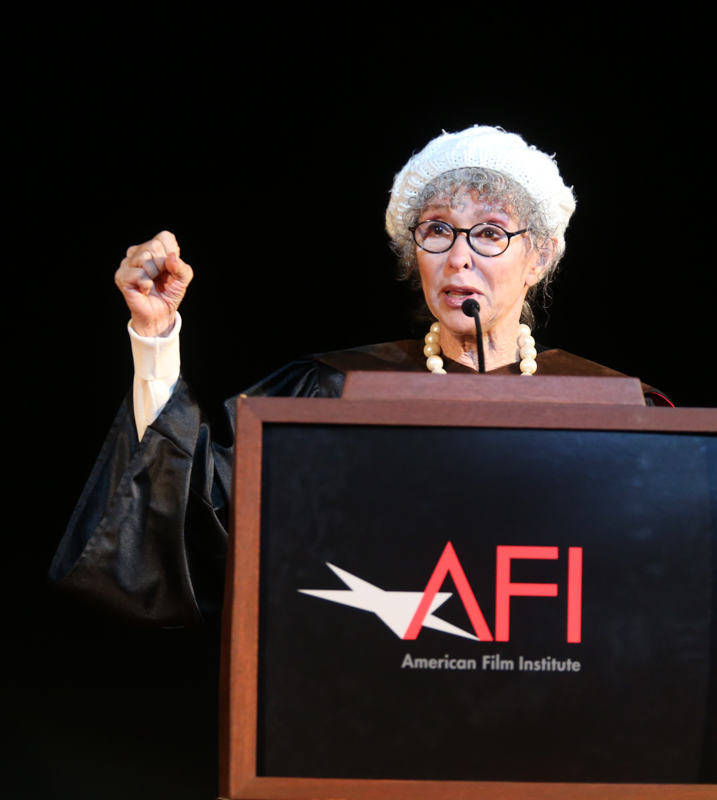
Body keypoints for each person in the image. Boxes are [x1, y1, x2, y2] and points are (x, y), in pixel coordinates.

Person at [49, 126, 672, 627]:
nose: (459, 256)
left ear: (537, 257)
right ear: (414, 255)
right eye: (436, 231)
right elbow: (204, 518)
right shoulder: (334, 390)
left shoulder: (617, 409)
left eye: (489, 232)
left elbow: (661, 588)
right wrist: (156, 338)